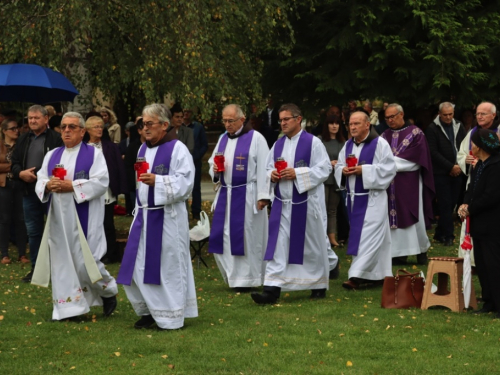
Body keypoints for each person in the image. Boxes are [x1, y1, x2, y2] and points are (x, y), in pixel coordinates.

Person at [117, 103, 198, 330]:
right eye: (142, 124)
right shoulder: (143, 149)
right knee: (136, 265)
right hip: (144, 216)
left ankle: (171, 315)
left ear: (165, 124)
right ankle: (149, 310)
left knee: (167, 266)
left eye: (149, 123)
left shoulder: (178, 148)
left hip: (167, 218)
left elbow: (186, 184)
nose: (144, 128)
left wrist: (159, 181)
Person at [31, 112, 118, 320]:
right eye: (63, 127)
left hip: (85, 216)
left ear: (82, 131)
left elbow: (101, 182)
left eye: (72, 127)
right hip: (59, 217)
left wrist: (73, 185)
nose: (67, 131)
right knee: (62, 261)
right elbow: (40, 179)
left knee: (87, 262)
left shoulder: (94, 154)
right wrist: (47, 185)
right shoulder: (52, 155)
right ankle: (70, 309)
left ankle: (108, 291)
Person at [251, 103, 339, 304]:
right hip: (283, 204)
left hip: (306, 204)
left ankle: (317, 285)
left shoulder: (313, 142)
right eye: (280, 120)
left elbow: (324, 169)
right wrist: (271, 176)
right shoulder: (278, 145)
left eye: (286, 119)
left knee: (311, 246)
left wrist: (298, 173)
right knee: (278, 246)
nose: (282, 123)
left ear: (298, 119)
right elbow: (266, 169)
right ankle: (271, 289)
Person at [208, 104, 270, 292]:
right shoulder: (222, 140)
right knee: (224, 236)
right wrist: (215, 171)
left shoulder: (256, 139)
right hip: (226, 193)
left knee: (246, 237)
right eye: (224, 121)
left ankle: (249, 278)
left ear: (242, 120)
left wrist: (263, 195)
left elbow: (264, 168)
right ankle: (233, 276)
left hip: (247, 196)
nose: (227, 124)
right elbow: (213, 162)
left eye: (231, 121)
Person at [334, 111, 396, 290]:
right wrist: (342, 171)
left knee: (367, 237)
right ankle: (379, 274)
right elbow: (339, 165)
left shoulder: (380, 144)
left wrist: (365, 171)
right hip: (354, 200)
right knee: (372, 238)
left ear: (367, 125)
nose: (352, 127)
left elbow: (389, 169)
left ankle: (356, 275)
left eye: (357, 124)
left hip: (373, 199)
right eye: (351, 124)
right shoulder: (347, 145)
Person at [11, 105, 63, 282]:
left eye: (36, 118)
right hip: (28, 192)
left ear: (46, 119)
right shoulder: (23, 139)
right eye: (30, 118)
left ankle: (58, 268)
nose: (32, 121)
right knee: (33, 232)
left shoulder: (56, 138)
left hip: (51, 192)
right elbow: (15, 162)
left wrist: (38, 175)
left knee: (56, 230)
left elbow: (60, 163)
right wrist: (21, 174)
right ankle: (36, 268)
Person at [381, 104, 434, 265]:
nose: (390, 120)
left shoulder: (416, 133)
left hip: (409, 183)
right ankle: (398, 254)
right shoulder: (384, 136)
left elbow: (417, 160)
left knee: (413, 215)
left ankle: (421, 250)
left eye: (393, 116)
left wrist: (389, 165)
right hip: (389, 184)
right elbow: (379, 158)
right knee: (392, 218)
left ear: (401, 114)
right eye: (387, 118)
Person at [458, 128, 500, 319]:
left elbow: (491, 196)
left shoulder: (496, 166)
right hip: (479, 223)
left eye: (474, 143)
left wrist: (470, 209)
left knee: (494, 264)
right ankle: (489, 301)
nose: (471, 147)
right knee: (482, 264)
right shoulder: (479, 165)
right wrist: (464, 203)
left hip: (493, 223)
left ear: (481, 146)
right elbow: (471, 189)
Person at [457, 102, 500, 262]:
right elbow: (461, 153)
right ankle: (472, 260)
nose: (480, 116)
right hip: (475, 182)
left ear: (493, 115)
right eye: (478, 114)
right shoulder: (473, 132)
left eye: (484, 114)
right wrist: (466, 160)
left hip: (492, 186)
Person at [85, 116, 127, 263]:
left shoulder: (110, 147)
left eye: (101, 126)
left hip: (107, 190)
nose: (99, 129)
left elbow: (118, 168)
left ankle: (111, 253)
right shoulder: (83, 147)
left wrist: (120, 187)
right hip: (89, 190)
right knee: (91, 224)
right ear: (88, 130)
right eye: (95, 127)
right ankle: (93, 253)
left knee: (107, 223)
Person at [425, 102, 465, 246]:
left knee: (452, 203)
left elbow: (463, 146)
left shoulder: (459, 125)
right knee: (445, 203)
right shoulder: (432, 129)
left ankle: (439, 233)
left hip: (458, 170)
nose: (448, 117)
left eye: (450, 114)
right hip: (441, 172)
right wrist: (450, 166)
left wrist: (459, 165)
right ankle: (448, 235)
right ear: (439, 114)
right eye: (445, 115)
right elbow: (433, 152)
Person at [0, 119, 29, 265]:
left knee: (20, 219)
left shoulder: (21, 145)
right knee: (4, 219)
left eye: (17, 128)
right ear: (4, 131)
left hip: (19, 184)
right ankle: (4, 254)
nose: (16, 131)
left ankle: (22, 253)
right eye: (12, 128)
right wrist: (13, 166)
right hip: (4, 184)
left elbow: (25, 163)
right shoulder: (0, 145)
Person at [320, 114, 346, 247]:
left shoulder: (343, 142)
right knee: (321, 209)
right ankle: (321, 238)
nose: (334, 126)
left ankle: (332, 239)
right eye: (331, 123)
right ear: (327, 125)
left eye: (337, 123)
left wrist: (340, 164)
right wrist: (329, 163)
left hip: (336, 179)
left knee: (332, 210)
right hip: (323, 179)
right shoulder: (320, 141)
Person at [183, 108, 208, 220]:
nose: (186, 113)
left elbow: (204, 144)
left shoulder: (198, 127)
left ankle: (196, 211)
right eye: (184, 112)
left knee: (196, 187)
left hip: (195, 161)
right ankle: (183, 211)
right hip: (181, 162)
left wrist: (197, 156)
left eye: (188, 111)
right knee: (181, 186)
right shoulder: (178, 128)